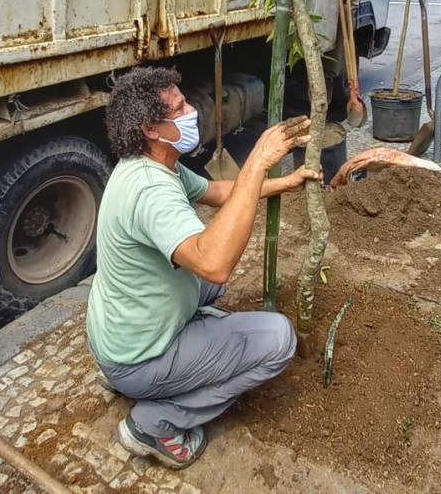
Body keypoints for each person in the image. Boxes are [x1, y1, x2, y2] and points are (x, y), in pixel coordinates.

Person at [86, 67, 318, 469]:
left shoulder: (158, 165)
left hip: (118, 336)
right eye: (179, 107)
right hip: (136, 356)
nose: (192, 109)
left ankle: (148, 372)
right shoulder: (150, 190)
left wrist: (286, 182)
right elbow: (215, 263)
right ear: (151, 128)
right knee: (278, 339)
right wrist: (259, 161)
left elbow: (217, 192)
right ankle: (156, 422)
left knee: (206, 292)